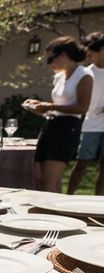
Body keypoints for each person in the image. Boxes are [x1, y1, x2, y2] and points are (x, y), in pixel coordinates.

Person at [23, 36, 93, 192]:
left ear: (63, 55)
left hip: (68, 129)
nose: (50, 64)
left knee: (50, 179)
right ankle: (50, 211)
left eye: (50, 59)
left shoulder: (84, 75)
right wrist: (39, 108)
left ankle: (52, 214)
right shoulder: (59, 77)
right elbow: (55, 105)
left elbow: (82, 107)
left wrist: (49, 106)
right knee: (41, 178)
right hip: (51, 125)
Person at [68, 32, 104, 195]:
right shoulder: (88, 73)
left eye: (91, 52)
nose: (88, 56)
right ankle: (67, 197)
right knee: (81, 165)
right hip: (89, 125)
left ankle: (100, 204)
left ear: (102, 50)